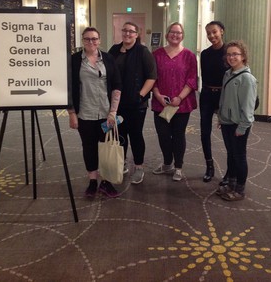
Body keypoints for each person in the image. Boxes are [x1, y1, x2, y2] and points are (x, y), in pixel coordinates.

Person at [68, 27, 122, 198]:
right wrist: (71, 113)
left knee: (106, 147)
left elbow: (116, 86)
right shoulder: (74, 60)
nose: (91, 42)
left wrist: (113, 112)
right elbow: (68, 89)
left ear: (99, 40)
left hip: (106, 113)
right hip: (84, 112)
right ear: (82, 41)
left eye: (94, 39)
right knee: (89, 146)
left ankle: (106, 182)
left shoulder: (108, 59)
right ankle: (92, 181)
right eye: (87, 39)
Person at [109, 21, 157, 184]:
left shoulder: (143, 52)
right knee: (120, 134)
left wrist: (140, 95)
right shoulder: (114, 50)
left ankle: (139, 167)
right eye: (125, 31)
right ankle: (122, 163)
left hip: (137, 104)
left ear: (137, 34)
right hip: (117, 103)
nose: (127, 34)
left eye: (131, 31)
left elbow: (152, 76)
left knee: (136, 135)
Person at [151, 22, 198, 181]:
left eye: (178, 33)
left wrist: (180, 97)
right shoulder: (156, 54)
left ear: (182, 35)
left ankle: (178, 166)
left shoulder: (189, 56)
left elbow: (192, 80)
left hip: (181, 104)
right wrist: (157, 95)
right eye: (172, 32)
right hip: (161, 103)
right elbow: (152, 78)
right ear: (167, 34)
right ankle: (167, 163)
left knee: (178, 135)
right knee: (163, 135)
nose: (175, 35)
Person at [217, 40, 257, 201]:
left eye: (235, 54)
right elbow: (224, 99)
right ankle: (231, 184)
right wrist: (221, 117)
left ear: (243, 56)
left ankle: (240, 189)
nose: (231, 57)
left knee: (239, 156)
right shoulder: (228, 73)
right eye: (229, 54)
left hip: (239, 124)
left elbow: (248, 107)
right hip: (227, 122)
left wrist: (243, 127)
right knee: (231, 154)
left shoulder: (247, 79)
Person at [200, 21, 227, 183]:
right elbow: (204, 77)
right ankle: (209, 166)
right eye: (208, 33)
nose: (212, 36)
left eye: (214, 32)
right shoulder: (205, 54)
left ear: (221, 31)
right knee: (204, 132)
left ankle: (230, 171)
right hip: (207, 95)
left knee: (228, 134)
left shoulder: (229, 51)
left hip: (224, 96)